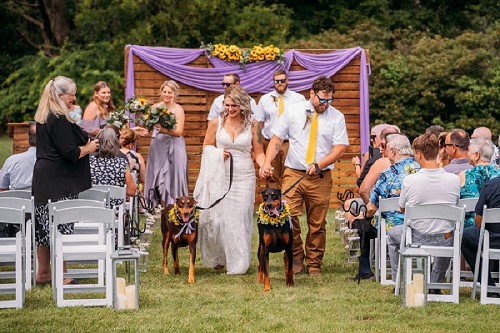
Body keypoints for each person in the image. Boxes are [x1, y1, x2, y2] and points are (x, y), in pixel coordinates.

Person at [260, 75, 348, 276]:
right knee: (289, 216)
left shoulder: (337, 117)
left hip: (320, 176)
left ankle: (314, 262)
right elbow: (276, 139)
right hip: (293, 172)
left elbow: (340, 148)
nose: (325, 104)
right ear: (311, 94)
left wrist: (320, 164)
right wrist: (266, 162)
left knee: (317, 223)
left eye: (329, 100)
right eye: (321, 100)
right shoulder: (293, 111)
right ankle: (296, 257)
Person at [32, 76, 99, 285]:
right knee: (60, 226)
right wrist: (89, 148)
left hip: (45, 177)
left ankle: (44, 274)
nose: (75, 98)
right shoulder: (59, 118)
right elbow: (70, 152)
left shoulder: (44, 116)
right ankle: (63, 276)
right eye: (72, 95)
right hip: (58, 179)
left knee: (43, 226)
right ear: (60, 96)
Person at [195, 85, 265, 274]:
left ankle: (239, 263)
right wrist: (217, 154)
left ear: (243, 105)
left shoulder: (253, 125)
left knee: (240, 216)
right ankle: (220, 257)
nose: (230, 109)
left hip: (244, 176)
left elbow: (259, 152)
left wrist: (264, 166)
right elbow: (206, 146)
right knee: (220, 219)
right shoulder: (215, 123)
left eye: (234, 105)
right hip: (221, 175)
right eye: (227, 105)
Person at [388, 133, 460, 286]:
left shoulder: (410, 181)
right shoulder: (454, 179)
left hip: (416, 238)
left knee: (393, 235)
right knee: (447, 232)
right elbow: (455, 207)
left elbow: (402, 209)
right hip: (445, 239)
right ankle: (435, 284)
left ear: (419, 154)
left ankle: (397, 281)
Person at [355, 134, 420, 280]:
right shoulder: (422, 169)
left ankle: (365, 268)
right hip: (421, 225)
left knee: (361, 223)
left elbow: (371, 207)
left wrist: (363, 215)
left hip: (392, 228)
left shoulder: (388, 174)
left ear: (392, 151)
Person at [257, 69, 305, 188]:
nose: (279, 83)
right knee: (271, 175)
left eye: (282, 81)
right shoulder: (265, 99)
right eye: (276, 81)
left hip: (290, 143)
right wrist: (258, 145)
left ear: (287, 81)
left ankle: (288, 205)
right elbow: (259, 123)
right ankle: (272, 205)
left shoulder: (298, 99)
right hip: (270, 142)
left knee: (290, 174)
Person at [144, 80, 188, 207]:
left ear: (175, 94)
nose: (167, 94)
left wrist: (163, 130)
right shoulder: (154, 108)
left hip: (175, 145)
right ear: (161, 92)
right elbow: (149, 126)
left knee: (173, 174)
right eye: (165, 92)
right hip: (158, 145)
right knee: (157, 173)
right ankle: (159, 204)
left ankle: (175, 204)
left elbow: (179, 131)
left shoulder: (178, 109)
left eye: (170, 92)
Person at [461, 176, 500, 295]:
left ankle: (488, 285)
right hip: (493, 239)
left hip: (492, 240)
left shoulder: (490, 185)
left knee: (463, 236)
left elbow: (478, 221)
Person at [458, 138, 500, 228]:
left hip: (469, 230)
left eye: (468, 151)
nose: (467, 154)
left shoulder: (464, 175)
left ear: (477, 155)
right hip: (495, 227)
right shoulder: (498, 175)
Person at [90, 128, 137, 206]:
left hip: (92, 208)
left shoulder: (87, 162)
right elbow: (131, 191)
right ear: (115, 143)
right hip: (115, 211)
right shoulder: (122, 163)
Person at [0, 122, 37, 191]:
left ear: (29, 138)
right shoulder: (57, 161)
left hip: (15, 201)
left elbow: (2, 189)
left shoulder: (12, 160)